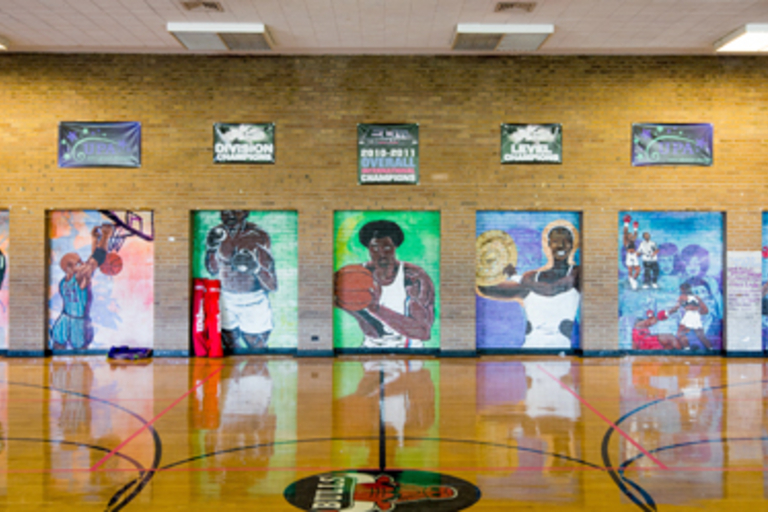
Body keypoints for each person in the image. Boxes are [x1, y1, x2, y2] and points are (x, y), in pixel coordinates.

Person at [477, 220, 580, 349]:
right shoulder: (531, 277)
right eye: (555, 241)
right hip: (530, 350)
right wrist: (484, 268)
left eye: (566, 241)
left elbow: (551, 289)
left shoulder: (576, 273)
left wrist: (516, 277)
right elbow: (490, 290)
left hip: (561, 354)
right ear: (548, 245)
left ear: (572, 245)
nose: (561, 245)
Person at [334, 220, 435, 348]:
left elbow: (423, 332)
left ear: (395, 247)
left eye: (387, 247)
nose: (381, 253)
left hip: (408, 347)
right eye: (375, 248)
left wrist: (376, 309)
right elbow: (376, 331)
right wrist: (350, 306)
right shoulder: (355, 275)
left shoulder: (414, 277)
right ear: (368, 248)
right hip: (370, 346)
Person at [205, 210, 277, 351]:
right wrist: (211, 249)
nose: (230, 215)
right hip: (226, 298)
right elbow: (212, 270)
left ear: (245, 212)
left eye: (235, 211)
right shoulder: (217, 233)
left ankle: (260, 372)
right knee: (229, 345)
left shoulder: (258, 236)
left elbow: (272, 285)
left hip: (253, 300)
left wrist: (255, 268)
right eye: (225, 211)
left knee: (257, 346)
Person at [50, 223, 113, 350]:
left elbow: (92, 259)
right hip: (78, 322)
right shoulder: (80, 277)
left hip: (64, 318)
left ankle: (54, 370)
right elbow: (97, 259)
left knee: (58, 347)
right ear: (69, 268)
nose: (83, 263)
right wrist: (105, 237)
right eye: (79, 263)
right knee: (81, 354)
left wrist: (95, 239)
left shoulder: (63, 282)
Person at [668, 282, 712, 350]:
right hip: (696, 316)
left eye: (681, 290)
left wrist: (667, 313)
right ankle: (711, 349)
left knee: (680, 333)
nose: (681, 291)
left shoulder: (682, 297)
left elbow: (676, 308)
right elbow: (706, 310)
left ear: (683, 289)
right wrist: (697, 312)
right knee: (701, 336)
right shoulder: (697, 297)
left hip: (689, 315)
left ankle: (687, 349)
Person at [622, 216, 640, 290]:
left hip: (634, 255)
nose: (631, 236)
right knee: (630, 270)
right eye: (630, 235)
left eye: (631, 235)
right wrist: (626, 223)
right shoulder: (626, 241)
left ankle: (633, 279)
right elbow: (625, 232)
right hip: (629, 256)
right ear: (627, 236)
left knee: (638, 270)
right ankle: (631, 280)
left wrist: (635, 228)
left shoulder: (633, 240)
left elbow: (635, 235)